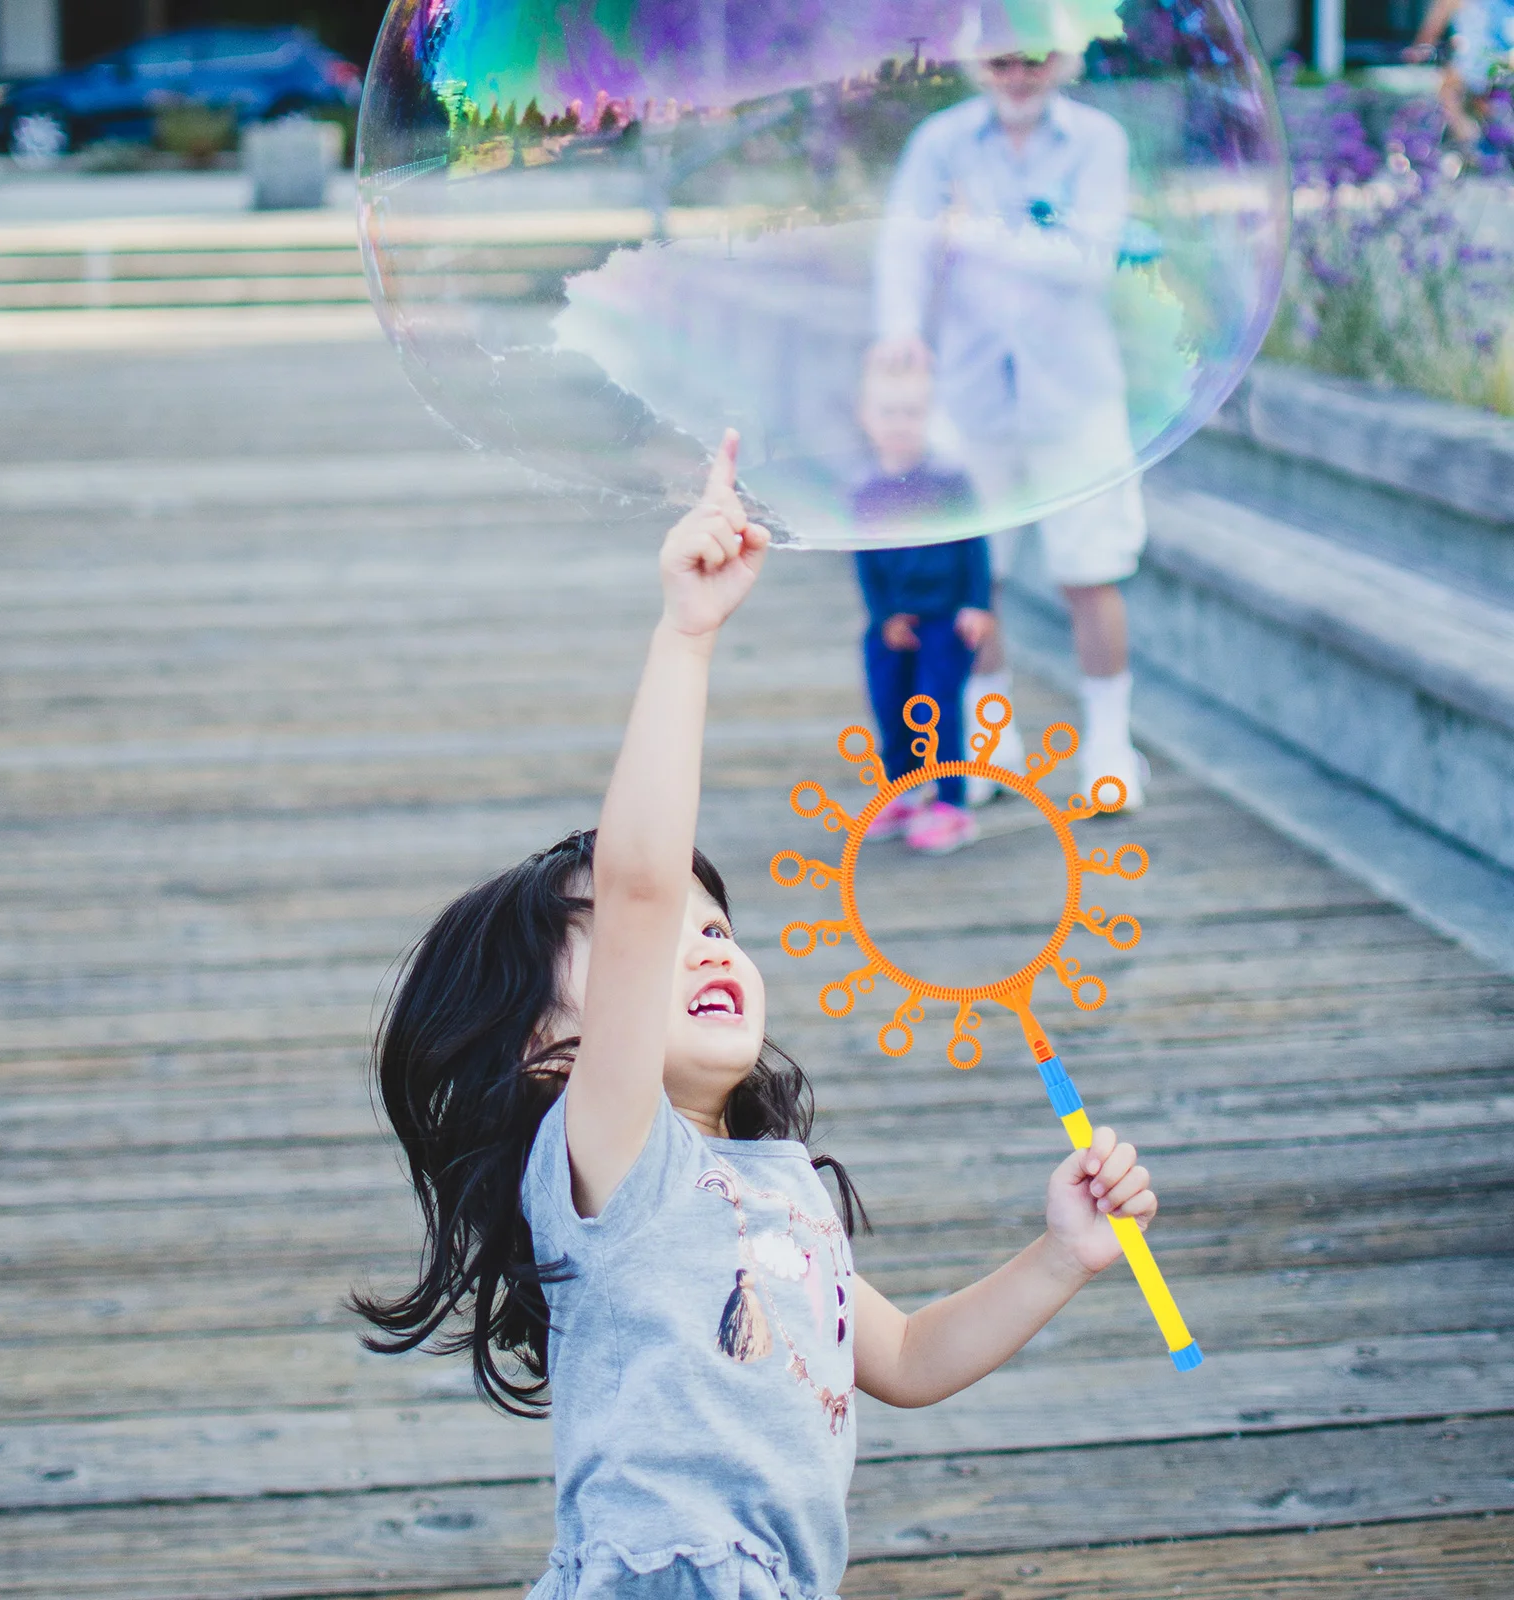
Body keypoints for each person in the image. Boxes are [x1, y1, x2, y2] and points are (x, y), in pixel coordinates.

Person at [353, 430, 1162, 1600]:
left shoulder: (777, 1188)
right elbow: (636, 883)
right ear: (543, 1046)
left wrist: (1058, 1257)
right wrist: (688, 636)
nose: (702, 940)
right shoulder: (615, 1164)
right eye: (649, 942)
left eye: (717, 928)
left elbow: (907, 1357)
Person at [874, 0, 1151, 807]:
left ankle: (1109, 746)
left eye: (1033, 57)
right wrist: (899, 330)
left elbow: (1089, 261)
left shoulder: (1098, 141)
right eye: (1000, 60)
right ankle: (988, 743)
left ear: (1063, 60)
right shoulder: (941, 143)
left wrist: (975, 233)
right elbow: (904, 240)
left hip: (1075, 393)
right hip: (970, 389)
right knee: (969, 576)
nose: (1017, 73)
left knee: (1090, 572)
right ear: (975, 64)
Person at [852, 358, 996, 853]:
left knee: (935, 707)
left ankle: (952, 802)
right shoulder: (867, 489)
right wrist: (884, 615)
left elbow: (974, 545)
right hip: (894, 621)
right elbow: (866, 560)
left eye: (912, 412)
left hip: (944, 618)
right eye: (888, 412)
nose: (900, 423)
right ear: (866, 417)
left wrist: (977, 604)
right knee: (891, 705)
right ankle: (904, 789)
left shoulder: (949, 481)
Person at [1406, 0, 1514, 147]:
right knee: (1480, 102)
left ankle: (1476, 147)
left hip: (1482, 61)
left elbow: (1434, 26)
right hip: (1500, 60)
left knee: (1449, 91)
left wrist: (1421, 48)